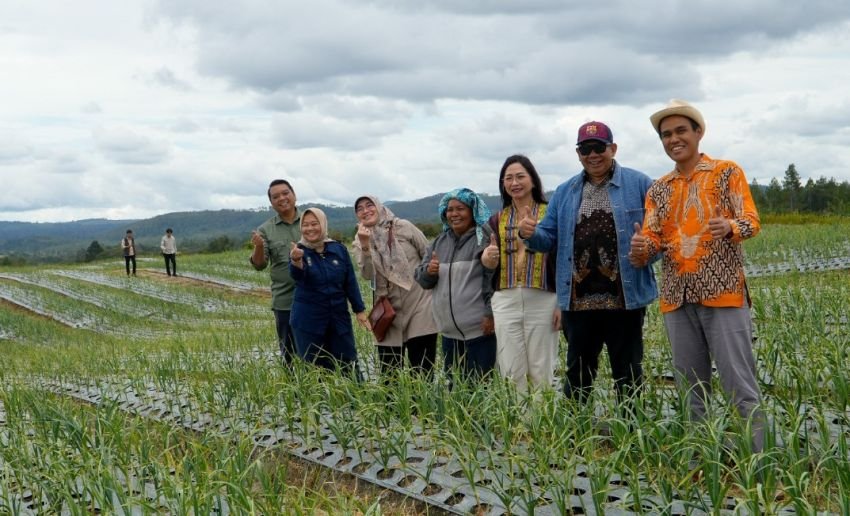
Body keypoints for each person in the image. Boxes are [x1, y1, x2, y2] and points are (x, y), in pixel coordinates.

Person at [630, 99, 764, 451]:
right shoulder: (658, 189)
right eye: (666, 134)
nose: (673, 139)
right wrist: (642, 249)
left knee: (740, 385)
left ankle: (760, 466)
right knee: (691, 390)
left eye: (680, 131)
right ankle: (704, 462)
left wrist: (731, 225)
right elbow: (653, 240)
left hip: (723, 293)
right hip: (676, 297)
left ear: (698, 133)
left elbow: (752, 221)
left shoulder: (726, 172)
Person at [518, 122, 657, 410]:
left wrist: (648, 252)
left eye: (599, 147)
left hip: (624, 301)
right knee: (578, 374)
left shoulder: (641, 184)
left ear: (613, 149)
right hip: (578, 303)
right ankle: (577, 436)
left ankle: (631, 436)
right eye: (585, 149)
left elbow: (660, 236)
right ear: (578, 153)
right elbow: (548, 238)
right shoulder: (565, 191)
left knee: (628, 373)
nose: (593, 155)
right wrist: (529, 234)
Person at [479, 155, 559, 393]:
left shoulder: (551, 213)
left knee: (541, 367)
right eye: (508, 178)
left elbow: (565, 257)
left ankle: (544, 427)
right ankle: (519, 428)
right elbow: (485, 261)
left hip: (544, 297)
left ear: (533, 180)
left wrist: (562, 304)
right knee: (510, 368)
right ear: (503, 184)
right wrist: (486, 259)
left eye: (520, 176)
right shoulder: (496, 220)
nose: (515, 182)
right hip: (505, 298)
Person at [414, 187, 496, 385]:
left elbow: (492, 280)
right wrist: (429, 272)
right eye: (450, 210)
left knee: (481, 388)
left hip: (480, 332)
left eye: (461, 208)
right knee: (455, 391)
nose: (454, 214)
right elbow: (422, 279)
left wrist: (490, 313)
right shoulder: (439, 242)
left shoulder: (484, 239)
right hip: (449, 334)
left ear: (473, 211)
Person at [352, 195, 438, 378]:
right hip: (387, 313)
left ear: (378, 206)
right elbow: (367, 274)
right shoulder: (360, 239)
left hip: (419, 305)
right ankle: (396, 409)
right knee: (390, 378)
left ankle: (424, 407)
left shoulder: (404, 227)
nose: (365, 210)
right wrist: (366, 246)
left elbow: (428, 254)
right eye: (359, 208)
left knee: (422, 373)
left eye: (369, 205)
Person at [289, 207, 370, 376]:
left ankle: (354, 400)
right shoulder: (298, 250)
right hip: (309, 321)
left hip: (338, 318)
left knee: (348, 364)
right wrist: (296, 261)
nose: (310, 228)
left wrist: (359, 310)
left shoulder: (338, 249)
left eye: (314, 224)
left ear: (323, 224)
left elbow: (350, 282)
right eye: (305, 225)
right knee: (314, 370)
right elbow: (298, 276)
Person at [250, 179, 301, 364]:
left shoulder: (311, 221)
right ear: (271, 203)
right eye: (276, 196)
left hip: (314, 298)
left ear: (294, 194)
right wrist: (258, 247)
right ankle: (295, 392)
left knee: (318, 352)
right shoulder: (266, 229)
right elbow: (259, 264)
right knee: (289, 354)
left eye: (285, 193)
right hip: (285, 301)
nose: (282, 198)